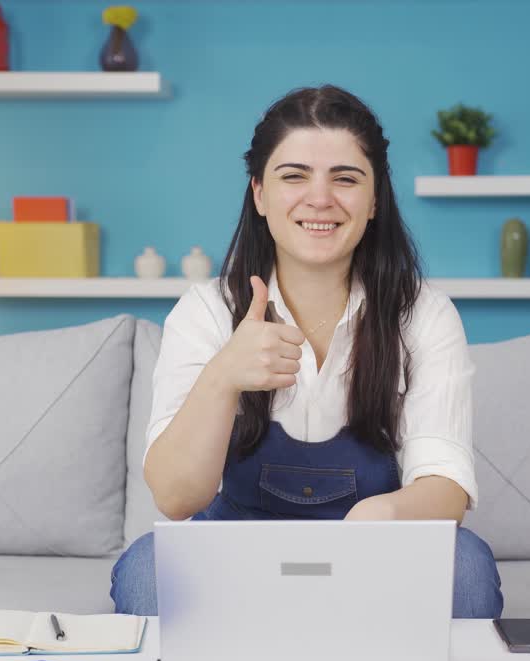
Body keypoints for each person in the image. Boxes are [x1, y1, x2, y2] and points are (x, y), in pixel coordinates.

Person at [110, 85, 503, 619]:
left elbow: (446, 488)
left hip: (379, 552)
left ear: (375, 200)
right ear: (259, 194)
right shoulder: (206, 311)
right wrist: (222, 378)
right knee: (146, 568)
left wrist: (382, 517)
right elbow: (177, 499)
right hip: (237, 553)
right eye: (294, 176)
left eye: (346, 178)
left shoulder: (423, 314)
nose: (320, 199)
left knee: (468, 569)